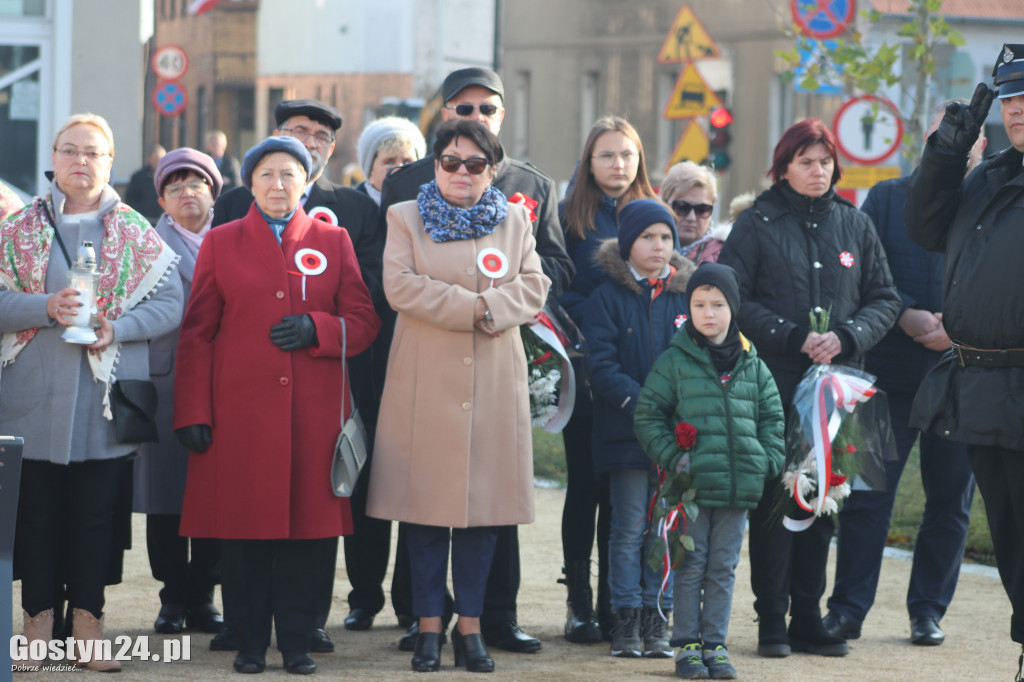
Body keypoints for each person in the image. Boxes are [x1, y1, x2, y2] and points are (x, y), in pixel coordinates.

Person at [378, 66, 572, 653]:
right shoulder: (404, 216)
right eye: (450, 162)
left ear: (493, 169)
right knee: (426, 513)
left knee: (486, 517)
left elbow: (534, 286)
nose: (461, 173)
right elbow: (400, 287)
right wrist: (479, 307)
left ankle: (473, 630)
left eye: (475, 165)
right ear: (435, 163)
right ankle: (429, 630)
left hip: (492, 382)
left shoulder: (516, 219)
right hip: (424, 383)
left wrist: (490, 309)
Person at [173, 136, 380, 675]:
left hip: (313, 419)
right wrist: (192, 410)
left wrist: (320, 327)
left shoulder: (333, 241)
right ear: (250, 183)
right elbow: (197, 334)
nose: (278, 184)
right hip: (239, 417)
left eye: (290, 174)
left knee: (306, 540)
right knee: (243, 537)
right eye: (266, 174)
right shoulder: (221, 242)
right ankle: (247, 641)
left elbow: (364, 322)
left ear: (307, 182)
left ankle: (296, 643)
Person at [0, 113, 183, 672]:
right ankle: (37, 623)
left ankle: (88, 623)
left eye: (94, 153)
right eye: (71, 150)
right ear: (53, 157)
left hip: (104, 403)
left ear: (110, 162)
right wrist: (43, 307)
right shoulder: (19, 227)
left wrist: (117, 327)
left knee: (95, 518)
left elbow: (169, 305)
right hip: (30, 398)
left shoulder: (134, 229)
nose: (81, 161)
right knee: (35, 514)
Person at [718, 118, 900, 658]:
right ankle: (772, 619)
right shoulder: (756, 223)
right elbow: (734, 297)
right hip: (774, 384)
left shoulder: (854, 223)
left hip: (837, 390)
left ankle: (808, 617)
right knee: (777, 500)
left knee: (824, 499)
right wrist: (794, 336)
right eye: (805, 162)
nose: (817, 172)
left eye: (825, 162)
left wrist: (846, 336)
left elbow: (885, 297)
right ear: (784, 166)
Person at [822, 101, 984, 648]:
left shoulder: (994, 201)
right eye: (947, 136)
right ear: (928, 140)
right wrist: (907, 314)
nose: (958, 147)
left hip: (961, 376)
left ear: (981, 148)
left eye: (969, 140)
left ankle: (927, 611)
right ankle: (846, 611)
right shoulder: (887, 198)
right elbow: (864, 280)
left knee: (950, 503)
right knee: (867, 497)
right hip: (885, 375)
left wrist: (957, 327)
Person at [904, 44, 1024, 678]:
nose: (1018, 109)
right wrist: (948, 154)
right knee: (1007, 535)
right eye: (1010, 99)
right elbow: (924, 228)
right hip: (980, 383)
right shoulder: (992, 173)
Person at [635, 262, 786, 680]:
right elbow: (648, 415)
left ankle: (716, 646)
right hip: (693, 489)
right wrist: (674, 457)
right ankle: (686, 646)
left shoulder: (753, 363)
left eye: (718, 304)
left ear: (732, 309)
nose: (708, 313)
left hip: (738, 490)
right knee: (691, 565)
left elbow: (773, 417)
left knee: (723, 568)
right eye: (699, 304)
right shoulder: (675, 360)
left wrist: (767, 459)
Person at [558, 115, 659, 643]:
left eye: (627, 155)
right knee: (585, 486)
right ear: (588, 161)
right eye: (606, 155)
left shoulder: (651, 214)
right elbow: (554, 284)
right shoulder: (568, 218)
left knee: (627, 493)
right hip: (585, 370)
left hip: (640, 375)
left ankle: (613, 602)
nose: (618, 165)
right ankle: (578, 601)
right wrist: (600, 308)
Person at [582, 199, 694, 658]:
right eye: (648, 237)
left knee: (666, 528)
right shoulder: (606, 297)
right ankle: (625, 617)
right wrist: (646, 406)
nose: (659, 246)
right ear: (628, 244)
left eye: (666, 237)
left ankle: (658, 616)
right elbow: (601, 366)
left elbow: (700, 358)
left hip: (676, 440)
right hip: (625, 436)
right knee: (628, 527)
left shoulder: (686, 297)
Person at [131, 148, 225, 637]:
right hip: (164, 379)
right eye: (175, 187)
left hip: (223, 380)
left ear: (214, 190)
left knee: (213, 490)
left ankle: (205, 595)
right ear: (162, 200)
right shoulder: (145, 242)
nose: (187, 193)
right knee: (167, 494)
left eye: (197, 184)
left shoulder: (233, 238)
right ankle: (171, 596)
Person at [659, 161, 728, 265]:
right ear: (665, 205)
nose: (692, 218)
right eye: (682, 207)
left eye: (702, 209)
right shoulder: (643, 248)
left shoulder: (727, 254)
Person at [355, 116, 426, 205]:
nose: (399, 167)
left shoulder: (432, 210)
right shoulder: (351, 211)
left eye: (407, 161)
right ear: (370, 172)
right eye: (389, 162)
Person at [123, 144, 166, 224]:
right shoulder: (138, 177)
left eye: (162, 159)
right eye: (156, 159)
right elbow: (130, 199)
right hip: (143, 221)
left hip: (163, 221)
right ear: (148, 159)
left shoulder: (168, 177)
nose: (159, 162)